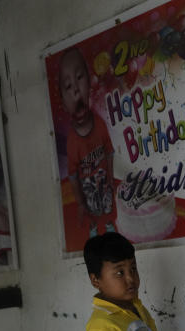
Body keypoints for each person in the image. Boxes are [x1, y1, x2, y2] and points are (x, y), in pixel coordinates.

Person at [60, 48, 116, 237]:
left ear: (89, 81)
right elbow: (73, 176)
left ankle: (108, 226)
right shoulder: (72, 142)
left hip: (103, 180)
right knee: (92, 209)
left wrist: (110, 175)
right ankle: (94, 230)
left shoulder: (100, 124)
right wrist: (80, 203)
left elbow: (109, 151)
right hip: (88, 187)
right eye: (68, 86)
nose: (75, 89)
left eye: (79, 78)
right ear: (63, 101)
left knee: (107, 204)